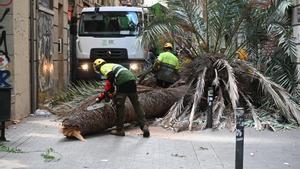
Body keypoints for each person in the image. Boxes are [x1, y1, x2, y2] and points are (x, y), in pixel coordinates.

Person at [93, 58, 150, 137]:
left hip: (123, 81)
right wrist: (107, 93)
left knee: (120, 106)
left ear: (97, 66)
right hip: (132, 80)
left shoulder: (104, 67)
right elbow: (111, 83)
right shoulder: (113, 65)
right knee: (136, 104)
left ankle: (120, 130)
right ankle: (144, 125)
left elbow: (111, 76)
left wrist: (108, 91)